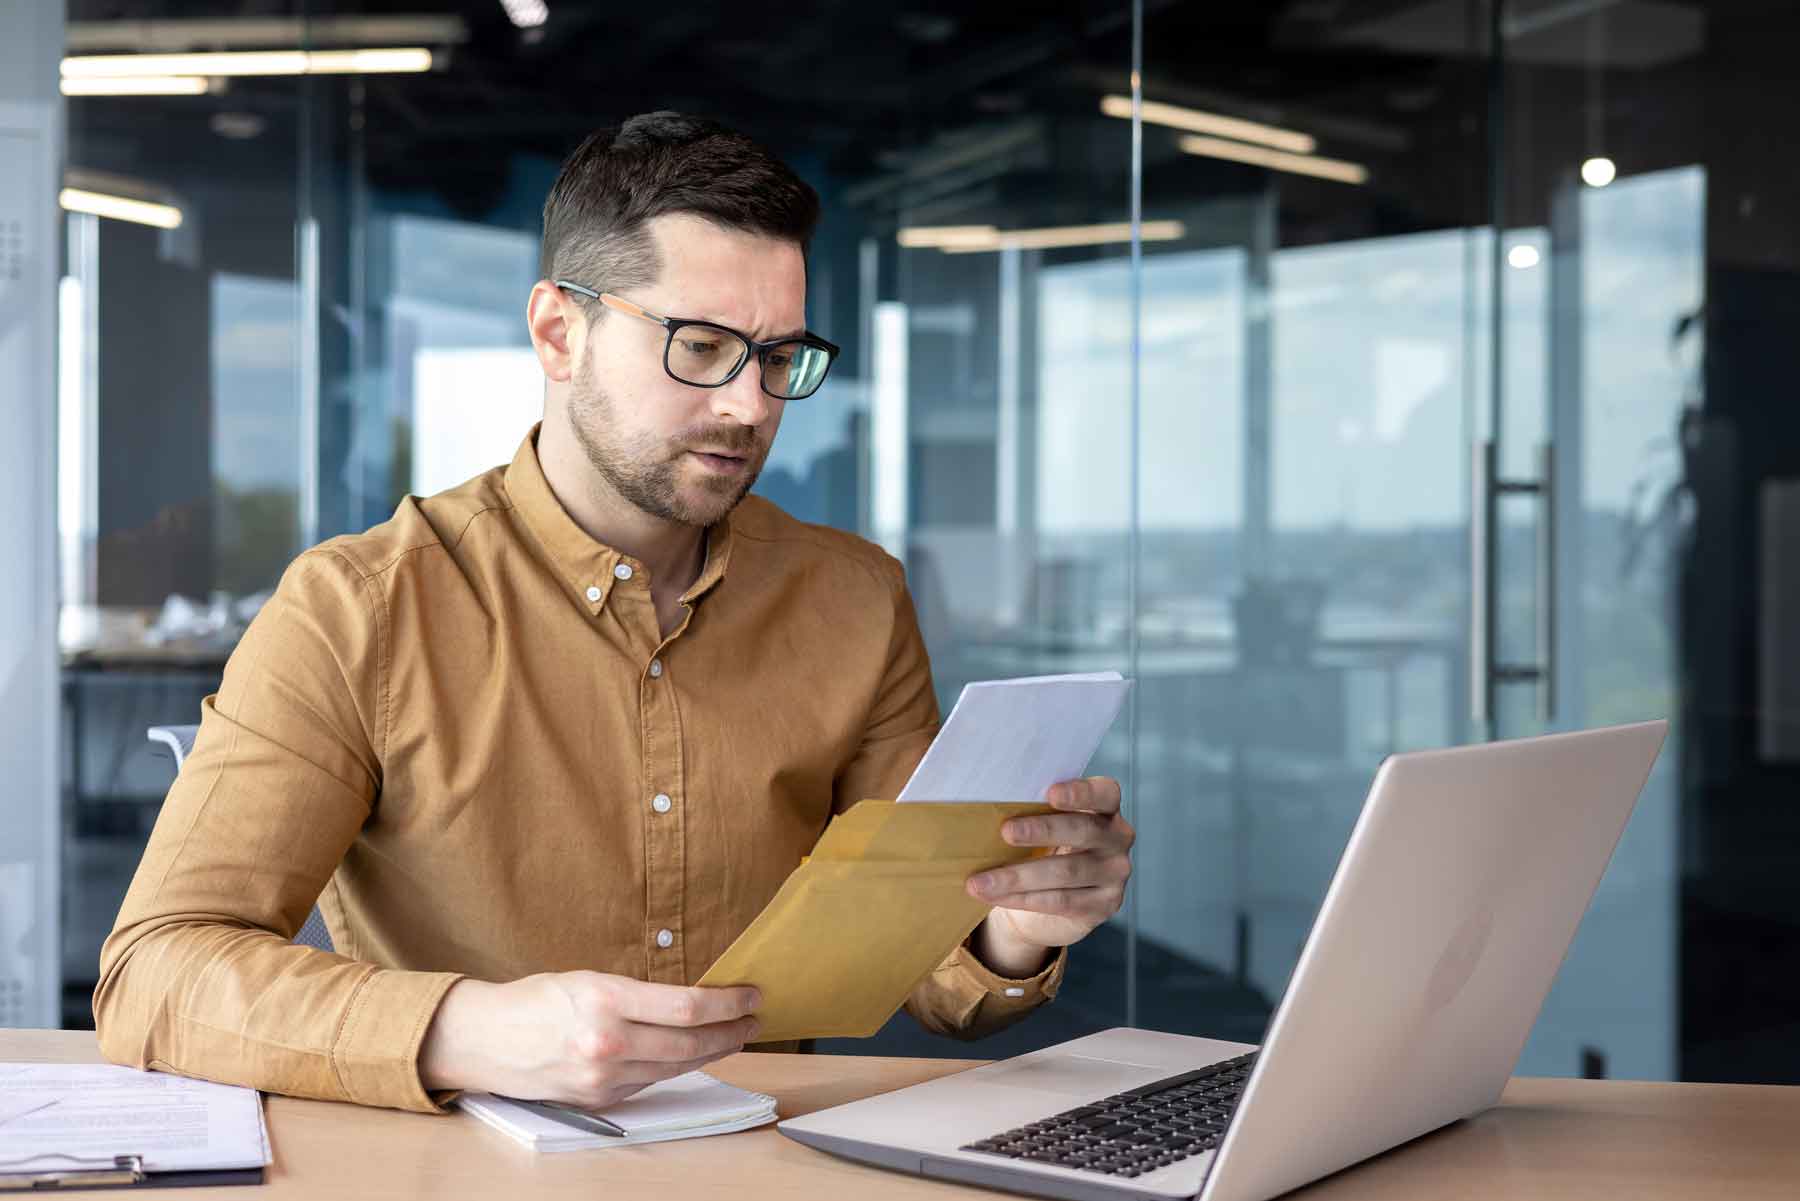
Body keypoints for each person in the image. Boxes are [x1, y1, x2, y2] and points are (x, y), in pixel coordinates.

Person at [94, 112, 1135, 1115]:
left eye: (778, 359)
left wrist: (1014, 925)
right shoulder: (360, 606)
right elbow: (154, 970)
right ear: (559, 331)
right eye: (701, 345)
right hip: (466, 1173)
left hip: (759, 1167)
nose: (749, 406)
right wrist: (470, 1030)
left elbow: (929, 961)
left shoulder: (854, 599)